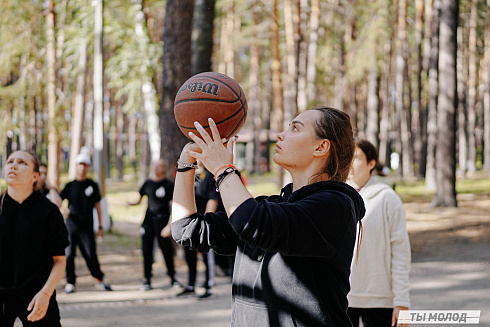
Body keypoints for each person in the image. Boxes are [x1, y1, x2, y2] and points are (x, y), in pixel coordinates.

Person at [171, 107, 365, 326]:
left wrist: (223, 169)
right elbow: (186, 229)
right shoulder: (271, 205)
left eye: (295, 128)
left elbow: (254, 224)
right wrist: (186, 162)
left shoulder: (335, 206)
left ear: (321, 147)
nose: (281, 135)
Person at [0, 151, 69, 326]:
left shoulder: (49, 212)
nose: (13, 166)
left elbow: (59, 260)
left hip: (37, 295)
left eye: (22, 162)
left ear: (35, 176)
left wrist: (45, 294)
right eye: (10, 161)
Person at [347, 139, 411, 327]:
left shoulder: (388, 198)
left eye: (356, 157)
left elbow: (400, 251)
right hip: (342, 297)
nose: (350, 162)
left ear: (371, 164)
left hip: (380, 299)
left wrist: (402, 302)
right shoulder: (337, 196)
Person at [60, 153, 112, 294]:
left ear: (88, 167)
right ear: (76, 166)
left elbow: (98, 206)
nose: (82, 168)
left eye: (85, 165)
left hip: (87, 227)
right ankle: (70, 282)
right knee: (69, 255)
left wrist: (100, 226)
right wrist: (63, 209)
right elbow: (59, 201)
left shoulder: (92, 185)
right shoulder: (70, 186)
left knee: (90, 254)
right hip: (71, 226)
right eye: (80, 165)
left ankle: (99, 279)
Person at [127, 159, 180, 291]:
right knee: (147, 251)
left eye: (160, 166)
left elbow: (173, 205)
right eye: (155, 166)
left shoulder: (168, 184)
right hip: (148, 222)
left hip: (162, 223)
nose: (157, 168)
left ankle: (173, 278)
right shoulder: (148, 183)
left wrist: (169, 225)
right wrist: (130, 203)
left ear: (164, 168)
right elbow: (139, 199)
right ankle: (147, 279)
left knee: (167, 250)